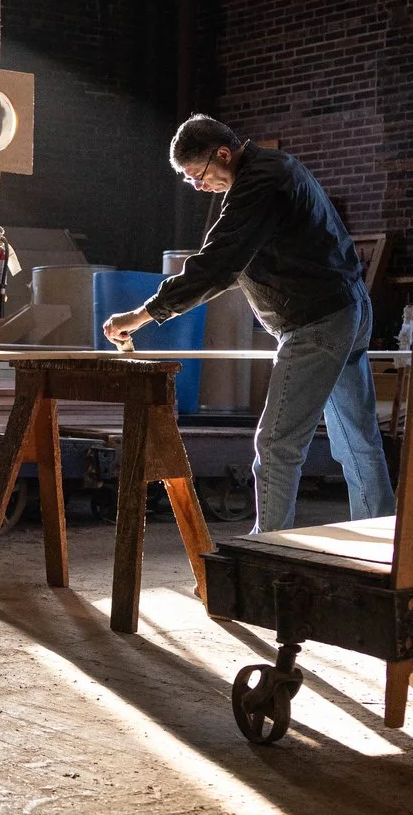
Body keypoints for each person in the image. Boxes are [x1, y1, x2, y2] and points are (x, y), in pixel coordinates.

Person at [103, 115, 394, 531]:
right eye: (190, 182)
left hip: (316, 323)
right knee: (356, 441)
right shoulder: (274, 171)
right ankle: (381, 534)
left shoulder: (260, 182)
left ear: (224, 153)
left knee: (277, 445)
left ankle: (270, 549)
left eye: (199, 176)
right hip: (345, 311)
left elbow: (217, 267)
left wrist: (141, 315)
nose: (200, 187)